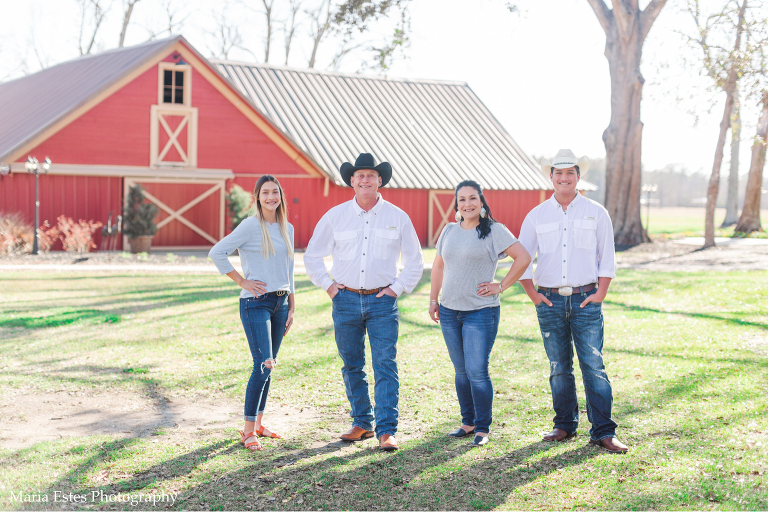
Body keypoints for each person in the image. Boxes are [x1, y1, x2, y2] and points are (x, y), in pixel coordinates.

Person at [304, 153, 423, 452]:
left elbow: (415, 261)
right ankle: (361, 423)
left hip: (383, 301)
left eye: (371, 175)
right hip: (345, 301)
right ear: (352, 181)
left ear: (380, 180)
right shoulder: (335, 216)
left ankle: (386, 430)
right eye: (360, 175)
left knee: (385, 365)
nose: (366, 179)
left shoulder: (398, 217)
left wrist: (397, 289)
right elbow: (312, 255)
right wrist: (330, 287)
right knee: (351, 364)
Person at [518, 149, 627, 454]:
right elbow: (522, 258)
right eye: (558, 173)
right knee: (558, 367)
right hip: (549, 301)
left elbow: (607, 256)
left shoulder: (596, 212)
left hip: (585, 300)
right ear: (551, 177)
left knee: (593, 365)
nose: (564, 178)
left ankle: (604, 431)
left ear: (579, 176)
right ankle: (565, 424)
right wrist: (533, 295)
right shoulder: (536, 215)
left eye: (570, 173)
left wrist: (600, 293)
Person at [429, 180, 531, 446]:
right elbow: (438, 267)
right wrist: (433, 300)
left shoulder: (494, 231)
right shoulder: (449, 230)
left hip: (480, 312)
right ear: (457, 204)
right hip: (450, 311)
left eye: (472, 198)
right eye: (462, 200)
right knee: (461, 371)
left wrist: (501, 285)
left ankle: (483, 428)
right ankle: (467, 422)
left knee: (476, 370)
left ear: (482, 202)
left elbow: (523, 257)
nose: (467, 204)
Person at [208, 175, 295, 452]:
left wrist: (292, 304)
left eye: (276, 192)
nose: (271, 197)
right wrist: (242, 281)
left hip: (281, 304)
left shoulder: (287, 228)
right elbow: (217, 252)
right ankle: (247, 431)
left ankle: (259, 424)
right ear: (257, 197)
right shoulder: (250, 226)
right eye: (266, 193)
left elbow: (289, 270)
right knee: (263, 364)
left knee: (270, 367)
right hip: (255, 303)